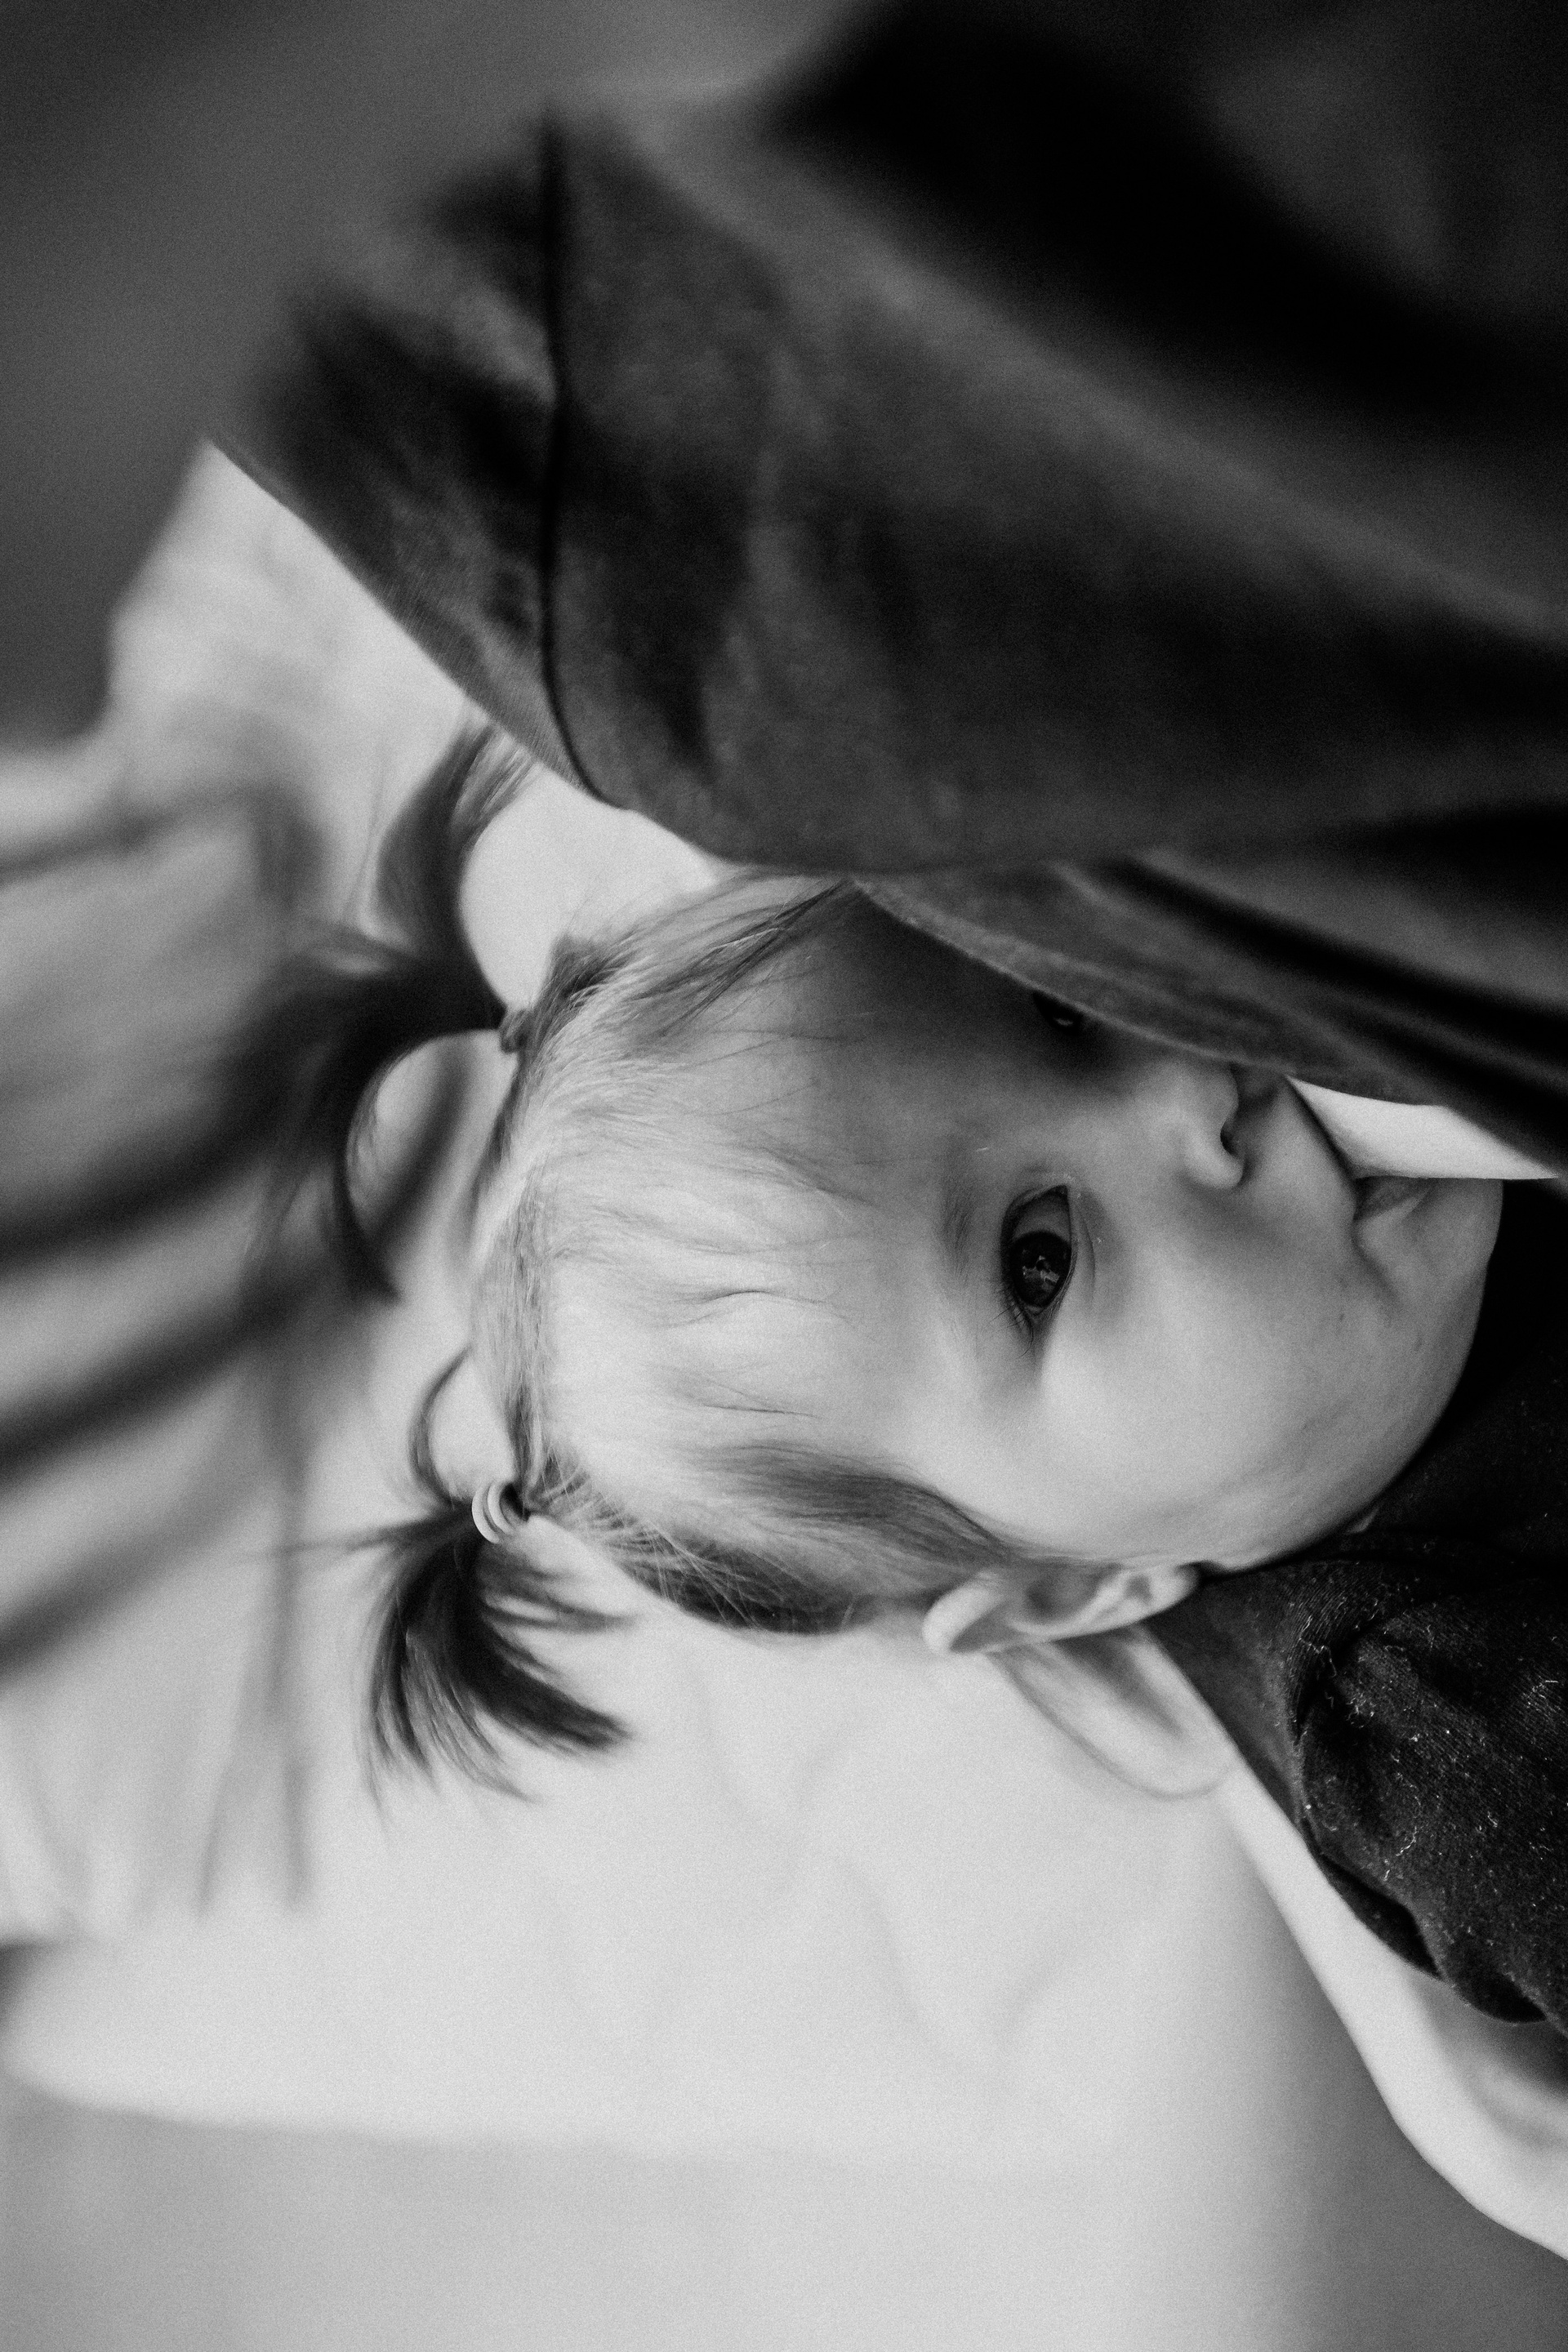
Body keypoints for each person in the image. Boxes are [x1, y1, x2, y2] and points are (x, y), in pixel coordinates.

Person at [263, 725, 1568, 2051]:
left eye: (1062, 1007)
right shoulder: (1444, 1733)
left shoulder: (1354, 1027)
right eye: (1041, 1260)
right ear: (1070, 1590)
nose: (1188, 1087)